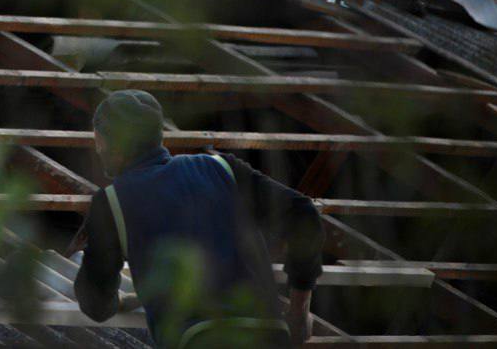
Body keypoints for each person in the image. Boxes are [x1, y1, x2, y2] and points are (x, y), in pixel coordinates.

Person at [74, 90, 324, 349]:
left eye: (99, 141)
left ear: (111, 143)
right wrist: (298, 312)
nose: (98, 149)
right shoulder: (220, 168)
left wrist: (113, 295)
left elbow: (96, 307)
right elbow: (304, 215)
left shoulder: (113, 201)